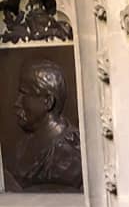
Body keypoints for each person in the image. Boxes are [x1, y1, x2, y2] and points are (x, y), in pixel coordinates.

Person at [9, 58, 82, 191]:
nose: (17, 103)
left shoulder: (70, 156)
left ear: (48, 101)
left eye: (24, 94)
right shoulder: (23, 146)